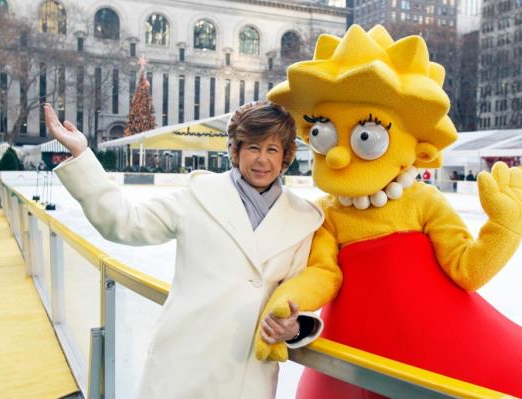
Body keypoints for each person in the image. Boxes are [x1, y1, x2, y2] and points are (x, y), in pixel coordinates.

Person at [44, 101, 324, 399]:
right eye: (253, 147)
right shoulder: (199, 195)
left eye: (272, 150)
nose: (262, 160)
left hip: (247, 376)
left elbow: (296, 298)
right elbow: (124, 222)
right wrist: (82, 155)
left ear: (285, 157)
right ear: (236, 150)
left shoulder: (302, 220)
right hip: (183, 366)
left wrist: (292, 329)